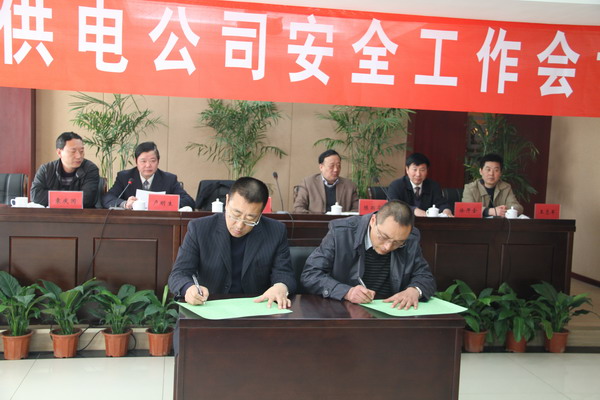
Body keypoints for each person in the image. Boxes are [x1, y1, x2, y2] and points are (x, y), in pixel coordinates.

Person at [168, 177, 297, 309]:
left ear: (261, 212)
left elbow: (284, 273)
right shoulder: (200, 228)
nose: (239, 225)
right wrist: (188, 288)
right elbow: (179, 274)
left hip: (257, 309)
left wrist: (281, 287)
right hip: (210, 306)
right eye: (235, 214)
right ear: (227, 200)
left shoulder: (276, 231)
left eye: (250, 218)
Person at [301, 200, 436, 310]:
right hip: (344, 311)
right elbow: (310, 274)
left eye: (398, 242)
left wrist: (415, 290)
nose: (388, 247)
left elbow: (425, 276)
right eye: (383, 237)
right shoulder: (341, 233)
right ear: (373, 221)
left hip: (391, 312)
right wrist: (347, 292)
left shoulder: (410, 239)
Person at [102, 141, 195, 209]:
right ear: (136, 161)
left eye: (152, 161)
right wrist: (125, 204)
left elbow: (189, 201)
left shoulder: (169, 179)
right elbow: (107, 198)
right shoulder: (125, 177)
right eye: (143, 161)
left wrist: (164, 203)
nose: (148, 165)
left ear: (158, 161)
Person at [30, 131, 99, 208]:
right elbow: (35, 195)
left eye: (81, 151)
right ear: (59, 152)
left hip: (80, 214)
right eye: (73, 151)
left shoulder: (90, 169)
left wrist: (54, 197)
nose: (79, 156)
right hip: (51, 214)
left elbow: (87, 199)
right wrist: (72, 197)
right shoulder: (46, 170)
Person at [293, 149, 359, 213]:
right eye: (331, 166)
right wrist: (315, 218)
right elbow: (298, 208)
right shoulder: (308, 183)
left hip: (342, 221)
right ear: (321, 167)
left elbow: (357, 209)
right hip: (316, 220)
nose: (336, 169)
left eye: (338, 166)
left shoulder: (349, 185)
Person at [387, 153, 452, 217]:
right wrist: (413, 210)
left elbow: (441, 203)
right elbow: (393, 205)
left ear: (427, 171)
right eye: (414, 170)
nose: (418, 174)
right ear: (407, 170)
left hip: (427, 223)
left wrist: (446, 209)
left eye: (422, 170)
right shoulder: (396, 186)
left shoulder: (433, 186)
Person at [462, 153, 524, 217]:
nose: (491, 173)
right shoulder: (470, 188)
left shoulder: (506, 187)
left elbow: (518, 208)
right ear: (481, 171)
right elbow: (465, 209)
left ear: (500, 173)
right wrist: (490, 211)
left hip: (499, 223)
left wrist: (505, 210)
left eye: (496, 170)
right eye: (488, 169)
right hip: (477, 223)